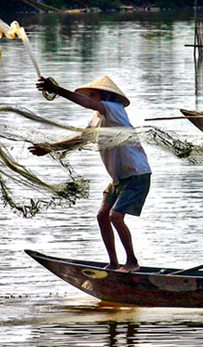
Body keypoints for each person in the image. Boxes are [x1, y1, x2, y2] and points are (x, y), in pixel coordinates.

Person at [29, 75, 151, 272]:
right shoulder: (97, 118)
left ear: (104, 96)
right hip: (118, 178)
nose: (91, 99)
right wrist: (50, 148)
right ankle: (113, 263)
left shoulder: (114, 109)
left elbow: (85, 103)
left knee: (115, 216)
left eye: (94, 95)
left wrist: (57, 90)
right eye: (91, 96)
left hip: (136, 174)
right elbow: (81, 139)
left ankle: (132, 262)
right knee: (102, 215)